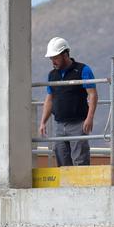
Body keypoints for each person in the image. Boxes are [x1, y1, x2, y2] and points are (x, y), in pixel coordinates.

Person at [38, 37, 97, 167]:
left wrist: (89, 118)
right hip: (59, 124)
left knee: (80, 160)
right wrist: (43, 121)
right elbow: (49, 99)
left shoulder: (83, 70)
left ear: (65, 55)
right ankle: (66, 187)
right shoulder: (52, 75)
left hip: (78, 123)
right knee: (62, 160)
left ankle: (82, 187)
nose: (52, 61)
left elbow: (92, 95)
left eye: (55, 57)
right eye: (51, 58)